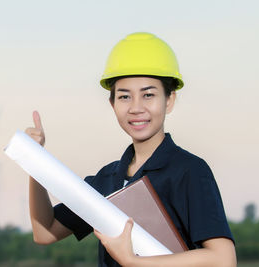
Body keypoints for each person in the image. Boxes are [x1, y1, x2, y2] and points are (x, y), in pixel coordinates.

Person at [25, 32, 236, 266]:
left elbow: (223, 259)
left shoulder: (190, 171)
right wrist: (35, 162)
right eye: (125, 96)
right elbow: (44, 232)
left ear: (169, 100)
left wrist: (132, 261)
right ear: (112, 103)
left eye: (148, 95)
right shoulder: (106, 180)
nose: (136, 108)